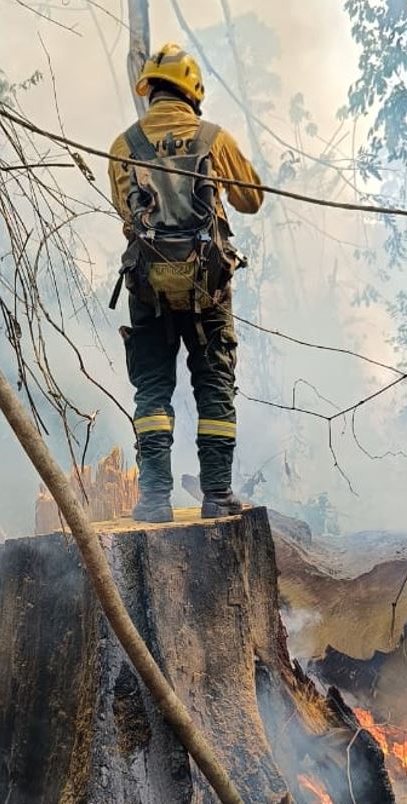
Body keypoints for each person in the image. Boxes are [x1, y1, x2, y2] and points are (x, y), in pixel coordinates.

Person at [108, 43, 263, 523]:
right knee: (213, 384)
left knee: (152, 389)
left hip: (149, 289)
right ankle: (216, 495)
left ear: (149, 89)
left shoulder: (122, 145)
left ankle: (154, 499)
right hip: (208, 290)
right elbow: (252, 200)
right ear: (192, 91)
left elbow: (124, 214)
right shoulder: (213, 138)